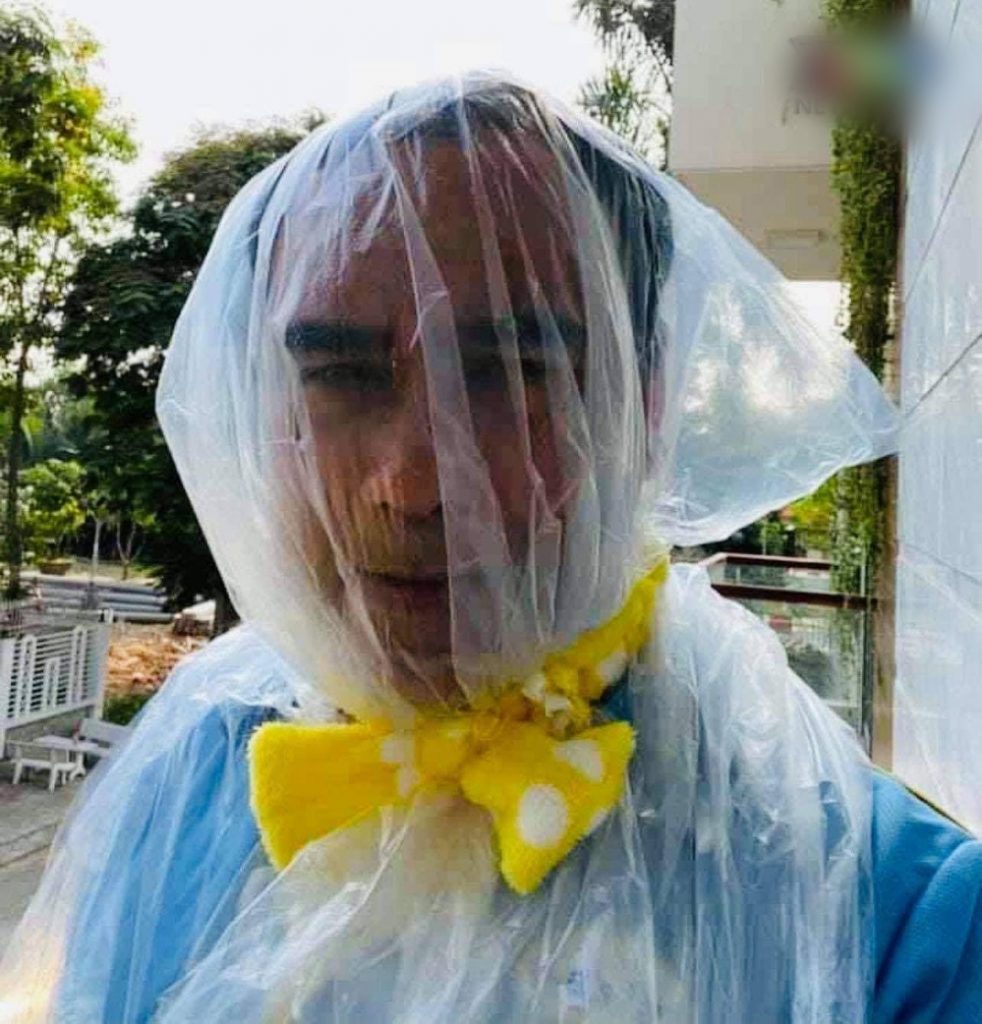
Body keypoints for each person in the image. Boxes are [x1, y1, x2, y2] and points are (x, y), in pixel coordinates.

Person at [2, 71, 980, 1023]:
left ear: (644, 407)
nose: (412, 486)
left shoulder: (894, 918)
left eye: (509, 374)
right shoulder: (184, 773)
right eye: (340, 374)